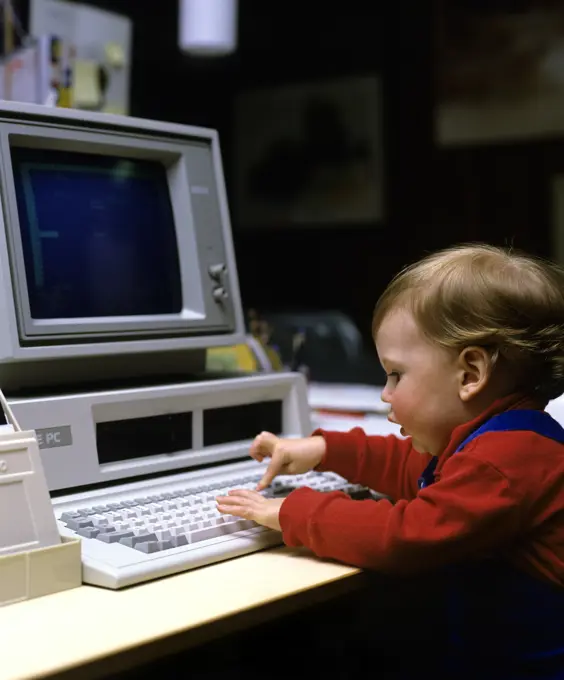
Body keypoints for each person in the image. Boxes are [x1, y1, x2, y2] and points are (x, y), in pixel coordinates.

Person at [216, 243, 564, 679]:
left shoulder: (505, 463)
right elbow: (414, 468)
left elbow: (405, 535)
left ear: (470, 375)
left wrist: (290, 510)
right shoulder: (500, 441)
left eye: (396, 374)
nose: (385, 393)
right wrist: (325, 451)